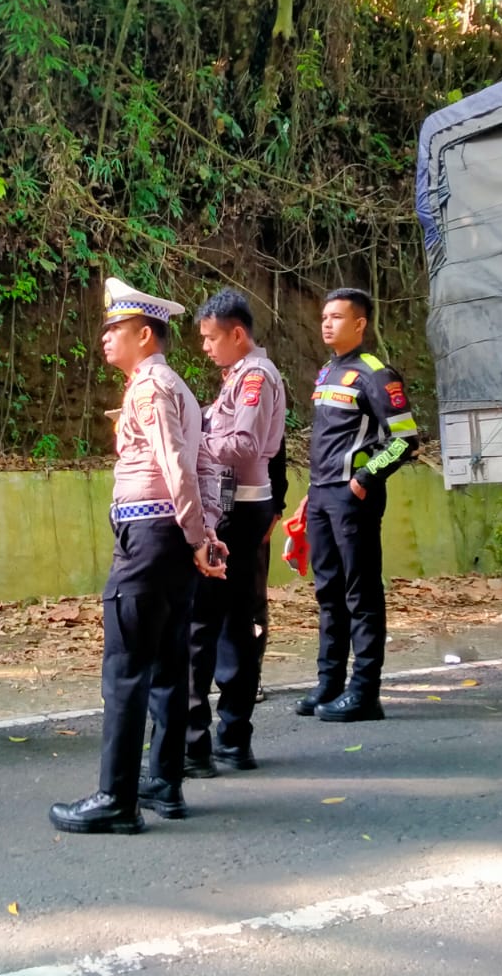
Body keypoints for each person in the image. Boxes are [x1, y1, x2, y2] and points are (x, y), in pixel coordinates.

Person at [50, 278, 226, 835]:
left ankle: (115, 798)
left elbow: (177, 464)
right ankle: (163, 781)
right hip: (171, 541)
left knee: (125, 670)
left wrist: (199, 536)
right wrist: (203, 533)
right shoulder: (176, 387)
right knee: (169, 663)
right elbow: (204, 466)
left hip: (149, 538)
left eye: (115, 330)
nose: (105, 339)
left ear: (144, 334)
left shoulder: (149, 388)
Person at [291, 288, 419, 723]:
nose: (327, 323)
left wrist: (364, 479)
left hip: (352, 500)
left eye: (337, 317)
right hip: (322, 496)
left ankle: (365, 692)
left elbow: (405, 439)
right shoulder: (328, 372)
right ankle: (330, 684)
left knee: (360, 595)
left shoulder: (376, 375)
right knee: (328, 593)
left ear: (360, 324)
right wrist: (313, 492)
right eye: (324, 316)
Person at [184, 289, 286, 776]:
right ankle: (223, 739)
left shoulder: (255, 378)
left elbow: (244, 444)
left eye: (211, 338)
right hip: (238, 506)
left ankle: (210, 741)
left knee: (214, 623)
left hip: (237, 512)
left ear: (238, 334)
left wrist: (192, 440)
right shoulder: (238, 378)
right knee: (228, 623)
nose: (205, 347)